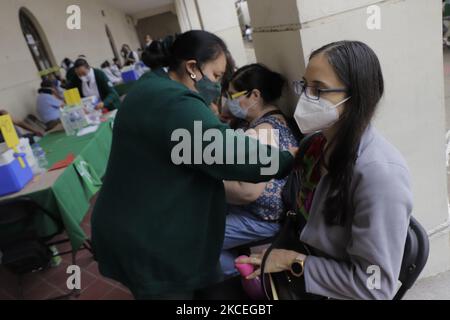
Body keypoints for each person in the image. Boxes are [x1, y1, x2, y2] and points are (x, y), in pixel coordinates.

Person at [91, 30, 296, 300]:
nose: (218, 87)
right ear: (191, 67)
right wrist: (289, 158)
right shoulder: (174, 102)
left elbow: (188, 145)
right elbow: (228, 153)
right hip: (147, 237)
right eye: (216, 76)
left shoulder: (152, 85)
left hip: (131, 222)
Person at [237, 41, 413, 300]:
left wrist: (293, 261)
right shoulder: (315, 145)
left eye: (318, 90)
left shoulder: (380, 174)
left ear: (356, 97)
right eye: (304, 86)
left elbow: (374, 286)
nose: (305, 98)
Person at [219, 64, 299, 277]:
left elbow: (249, 192)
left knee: (196, 239)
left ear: (255, 95)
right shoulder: (260, 123)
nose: (229, 102)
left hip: (262, 219)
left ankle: (241, 273)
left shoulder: (265, 131)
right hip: (251, 212)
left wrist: (210, 181)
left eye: (232, 95)